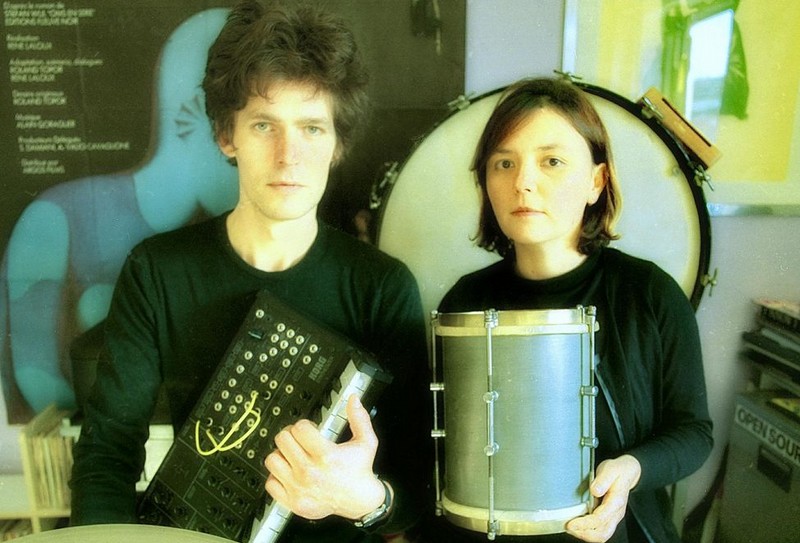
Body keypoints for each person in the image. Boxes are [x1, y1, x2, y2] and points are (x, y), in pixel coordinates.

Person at [69, 2, 430, 542]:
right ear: (226, 135)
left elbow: (415, 490)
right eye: (264, 125)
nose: (289, 155)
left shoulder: (381, 286)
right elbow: (107, 451)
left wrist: (366, 499)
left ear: (338, 145)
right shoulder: (157, 271)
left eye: (312, 128)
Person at [422, 78, 713, 542]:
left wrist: (632, 468)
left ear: (596, 182)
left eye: (551, 161)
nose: (523, 182)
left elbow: (694, 432)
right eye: (504, 163)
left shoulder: (649, 294)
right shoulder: (464, 302)